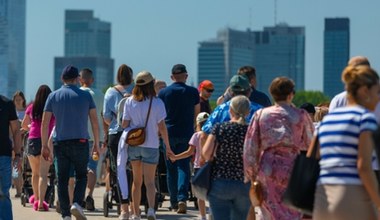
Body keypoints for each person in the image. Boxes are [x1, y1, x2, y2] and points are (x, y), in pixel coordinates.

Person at [310, 65, 380, 219]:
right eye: (377, 91)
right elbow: (363, 167)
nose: (378, 97)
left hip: (323, 196)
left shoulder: (327, 121)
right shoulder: (364, 119)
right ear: (365, 91)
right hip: (350, 193)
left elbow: (313, 157)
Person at [244, 77, 314, 219]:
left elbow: (251, 146)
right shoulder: (300, 115)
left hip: (267, 167)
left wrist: (250, 174)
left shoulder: (261, 114)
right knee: (292, 209)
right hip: (292, 167)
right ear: (291, 94)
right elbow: (310, 142)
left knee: (269, 210)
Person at [41, 65, 100, 220]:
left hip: (60, 143)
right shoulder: (86, 96)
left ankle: (66, 214)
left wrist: (44, 145)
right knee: (81, 175)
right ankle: (77, 204)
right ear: (77, 79)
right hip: (81, 141)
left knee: (62, 179)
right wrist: (97, 143)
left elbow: (45, 123)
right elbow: (94, 121)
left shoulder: (53, 96)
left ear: (62, 79)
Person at [118, 71, 173, 220]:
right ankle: (150, 210)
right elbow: (162, 127)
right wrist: (167, 146)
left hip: (135, 144)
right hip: (152, 145)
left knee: (136, 181)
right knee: (150, 181)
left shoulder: (130, 102)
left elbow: (124, 124)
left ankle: (135, 213)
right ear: (151, 85)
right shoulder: (157, 103)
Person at [158, 64, 200, 214]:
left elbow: (159, 115)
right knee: (183, 166)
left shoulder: (163, 93)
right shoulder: (193, 92)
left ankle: (174, 202)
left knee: (171, 169)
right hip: (187, 133)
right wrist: (196, 130)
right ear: (186, 76)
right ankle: (183, 198)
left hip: (168, 134)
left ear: (171, 77)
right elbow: (197, 114)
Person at [202, 96, 251, 219]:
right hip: (243, 182)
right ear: (248, 112)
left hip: (220, 180)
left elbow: (206, 153)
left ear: (230, 110)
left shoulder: (220, 128)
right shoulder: (251, 130)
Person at [103, 64, 133, 219]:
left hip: (116, 134)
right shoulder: (136, 90)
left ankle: (124, 207)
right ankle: (136, 205)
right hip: (135, 135)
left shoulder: (110, 92)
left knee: (118, 170)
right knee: (134, 168)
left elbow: (106, 118)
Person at [21, 85, 55, 211]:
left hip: (32, 140)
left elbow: (24, 124)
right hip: (45, 141)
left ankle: (35, 200)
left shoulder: (31, 107)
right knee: (43, 175)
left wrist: (31, 127)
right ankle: (41, 203)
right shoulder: (52, 108)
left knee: (34, 174)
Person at [170, 112, 209, 220]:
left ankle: (203, 216)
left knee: (200, 195)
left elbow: (189, 152)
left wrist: (175, 157)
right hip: (211, 167)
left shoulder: (196, 135)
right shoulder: (212, 135)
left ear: (198, 123)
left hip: (198, 167)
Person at [79, 68, 105, 211]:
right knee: (93, 167)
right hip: (96, 138)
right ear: (92, 80)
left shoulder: (77, 94)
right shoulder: (101, 95)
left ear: (79, 79)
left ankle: (81, 196)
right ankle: (90, 194)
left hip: (80, 137)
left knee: (80, 169)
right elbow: (104, 117)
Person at [0, 94, 22, 220]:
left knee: (3, 193)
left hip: (3, 155)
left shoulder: (7, 103)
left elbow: (16, 130)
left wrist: (17, 154)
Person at [12, 90, 26, 197]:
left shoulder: (26, 112)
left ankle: (21, 189)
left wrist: (22, 130)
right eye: (16, 100)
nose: (17, 102)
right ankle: (18, 190)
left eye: (19, 100)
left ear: (23, 100)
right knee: (15, 167)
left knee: (22, 168)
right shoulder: (11, 111)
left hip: (24, 143)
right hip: (12, 142)